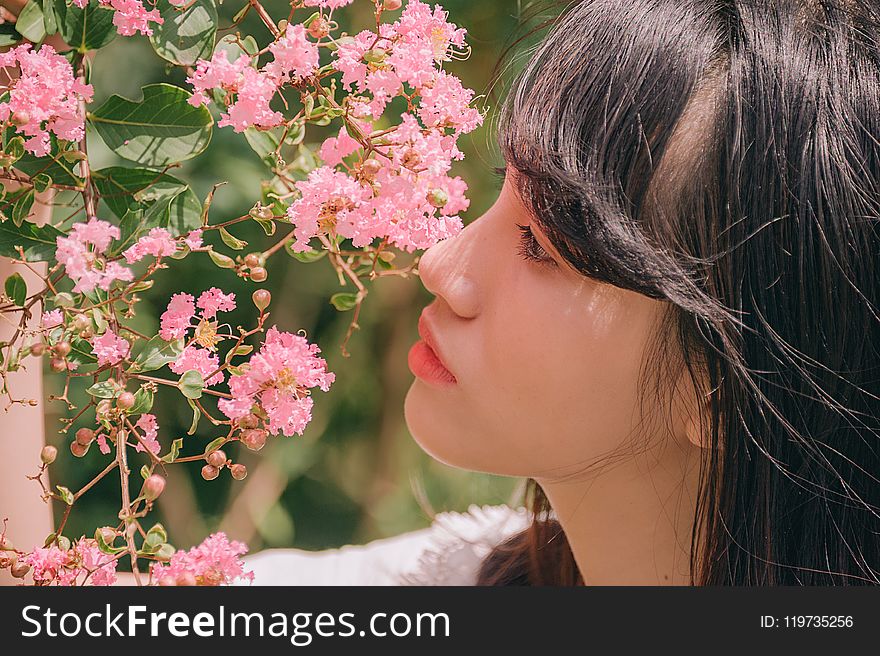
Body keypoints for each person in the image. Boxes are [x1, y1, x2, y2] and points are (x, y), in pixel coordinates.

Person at [6, 0, 880, 587]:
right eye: (501, 185)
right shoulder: (447, 582)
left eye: (541, 245)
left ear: (725, 384)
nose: (441, 266)